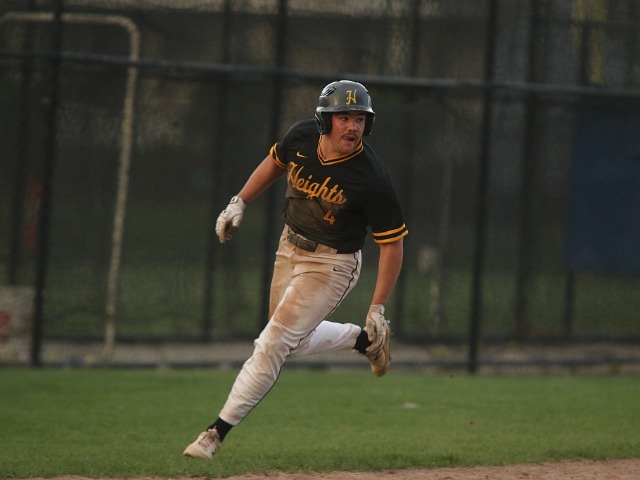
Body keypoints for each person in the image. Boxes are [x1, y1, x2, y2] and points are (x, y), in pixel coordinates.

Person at [183, 80, 408, 459]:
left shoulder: (372, 177)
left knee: (272, 343)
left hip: (332, 263)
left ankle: (215, 433)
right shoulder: (302, 137)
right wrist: (239, 202)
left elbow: (392, 245)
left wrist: (377, 307)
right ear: (324, 121)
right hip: (289, 247)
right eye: (343, 118)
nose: (352, 126)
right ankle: (363, 342)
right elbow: (275, 162)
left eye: (359, 119)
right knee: (290, 341)